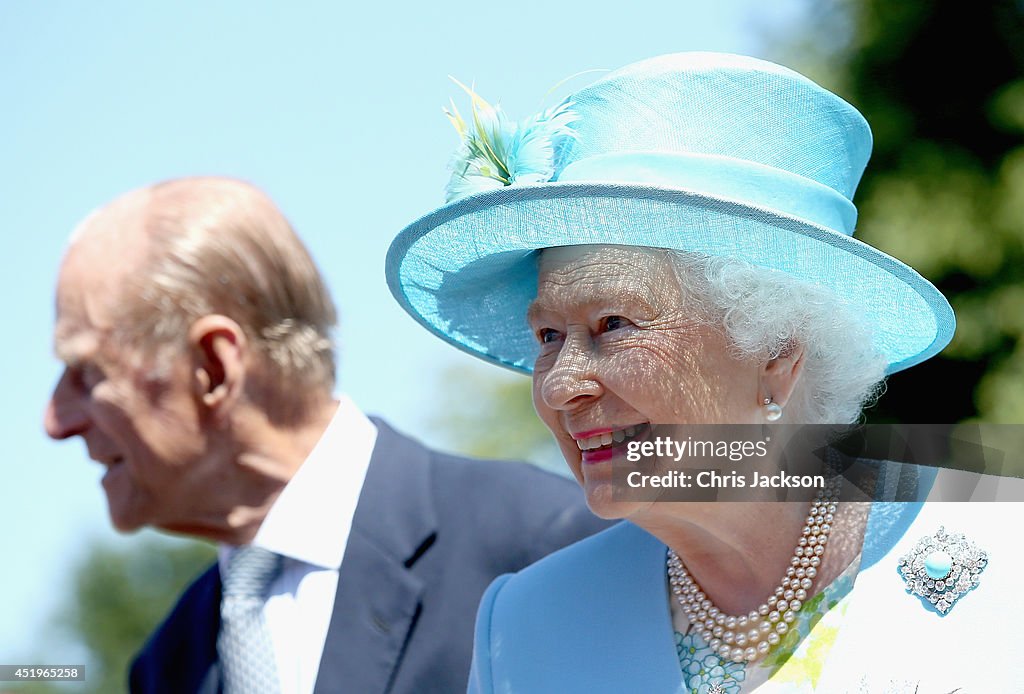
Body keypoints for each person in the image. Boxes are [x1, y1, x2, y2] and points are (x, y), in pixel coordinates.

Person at [386, 53, 1024, 691]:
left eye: (613, 325)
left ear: (776, 356)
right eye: (549, 336)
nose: (559, 385)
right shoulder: (527, 625)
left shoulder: (1005, 537)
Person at [43, 177, 609, 694]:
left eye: (87, 372)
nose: (56, 421)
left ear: (212, 368)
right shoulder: (168, 663)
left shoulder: (548, 544)